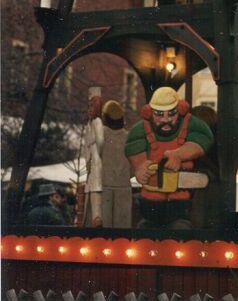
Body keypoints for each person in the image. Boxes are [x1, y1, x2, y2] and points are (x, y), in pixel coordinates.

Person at [125, 86, 213, 229]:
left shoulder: (191, 124)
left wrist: (179, 154)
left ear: (181, 110)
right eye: (159, 114)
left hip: (180, 205)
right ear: (149, 112)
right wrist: (140, 166)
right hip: (150, 205)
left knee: (180, 229)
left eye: (171, 114)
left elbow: (203, 138)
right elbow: (133, 146)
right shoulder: (140, 130)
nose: (165, 119)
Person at [101, 100, 132, 228]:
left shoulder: (99, 134)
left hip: (102, 189)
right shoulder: (129, 137)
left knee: (100, 236)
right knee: (121, 235)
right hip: (124, 188)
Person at [83, 87, 104, 226]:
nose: (89, 110)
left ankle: (96, 219)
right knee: (91, 188)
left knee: (95, 187)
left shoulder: (97, 122)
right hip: (92, 159)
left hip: (96, 159)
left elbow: (100, 141)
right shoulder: (89, 124)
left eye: (91, 107)